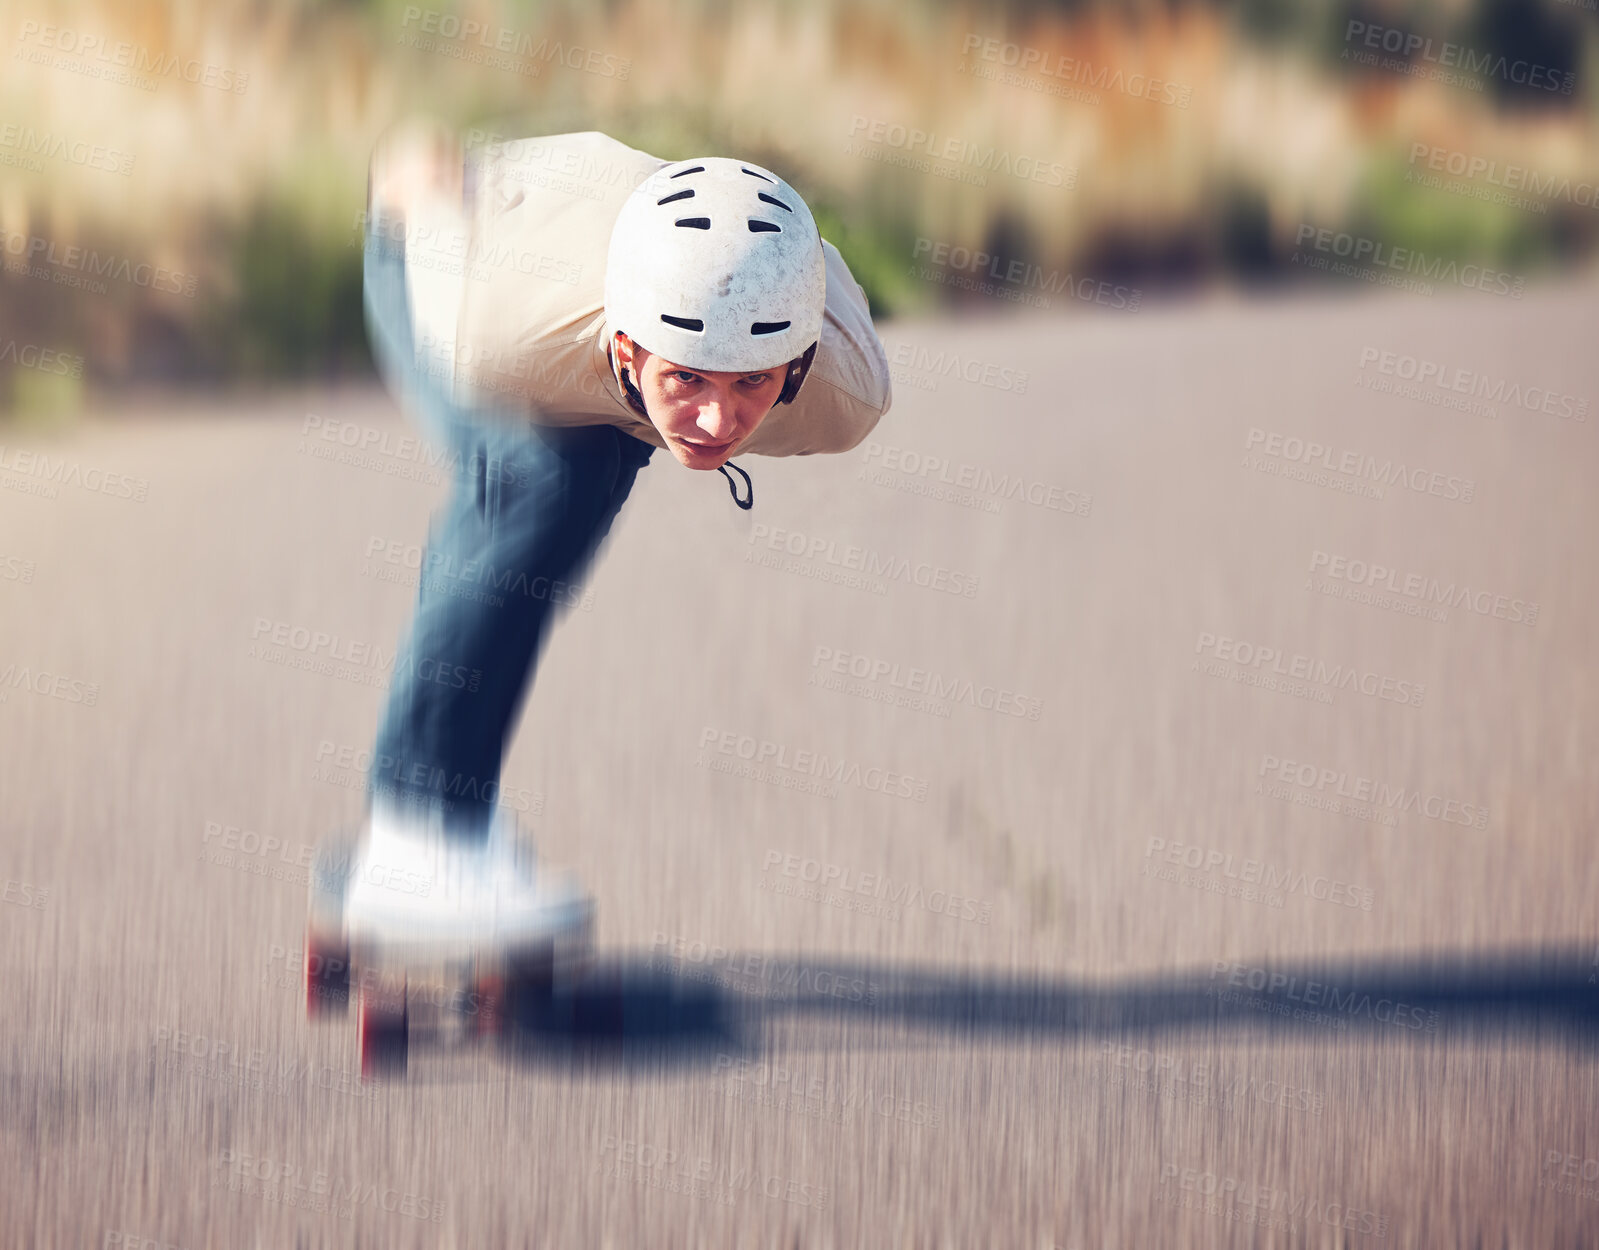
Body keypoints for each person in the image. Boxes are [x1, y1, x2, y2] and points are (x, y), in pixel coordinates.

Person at [342, 123, 893, 953]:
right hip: (443, 250)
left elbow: (727, 369)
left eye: (752, 384)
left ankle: (459, 815)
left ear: (798, 363)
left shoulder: (843, 387)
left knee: (567, 493)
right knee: (535, 487)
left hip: (612, 291)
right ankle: (414, 835)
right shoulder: (495, 330)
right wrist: (418, 169)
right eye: (687, 380)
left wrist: (692, 384)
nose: (716, 420)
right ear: (631, 352)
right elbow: (415, 176)